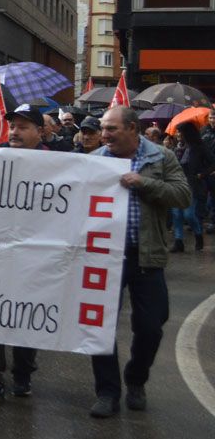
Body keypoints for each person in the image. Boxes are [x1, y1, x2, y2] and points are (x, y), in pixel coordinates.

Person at [89, 106, 190, 418]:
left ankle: (136, 379)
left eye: (111, 129)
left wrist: (144, 183)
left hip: (146, 255)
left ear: (132, 129)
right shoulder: (97, 160)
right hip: (105, 257)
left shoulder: (161, 157)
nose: (104, 135)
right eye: (103, 129)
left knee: (151, 328)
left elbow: (182, 196)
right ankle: (107, 391)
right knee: (100, 328)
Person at [0, 104, 47, 407]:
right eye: (13, 126)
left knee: (26, 315)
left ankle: (23, 371)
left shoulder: (58, 164)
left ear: (40, 133)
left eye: (24, 127)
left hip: (35, 256)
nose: (15, 132)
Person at [169, 122, 212, 253]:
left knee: (188, 214)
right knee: (176, 214)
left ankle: (198, 235)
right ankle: (178, 241)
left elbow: (212, 163)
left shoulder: (199, 147)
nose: (177, 135)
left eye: (179, 132)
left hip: (192, 185)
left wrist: (202, 174)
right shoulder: (178, 148)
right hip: (177, 183)